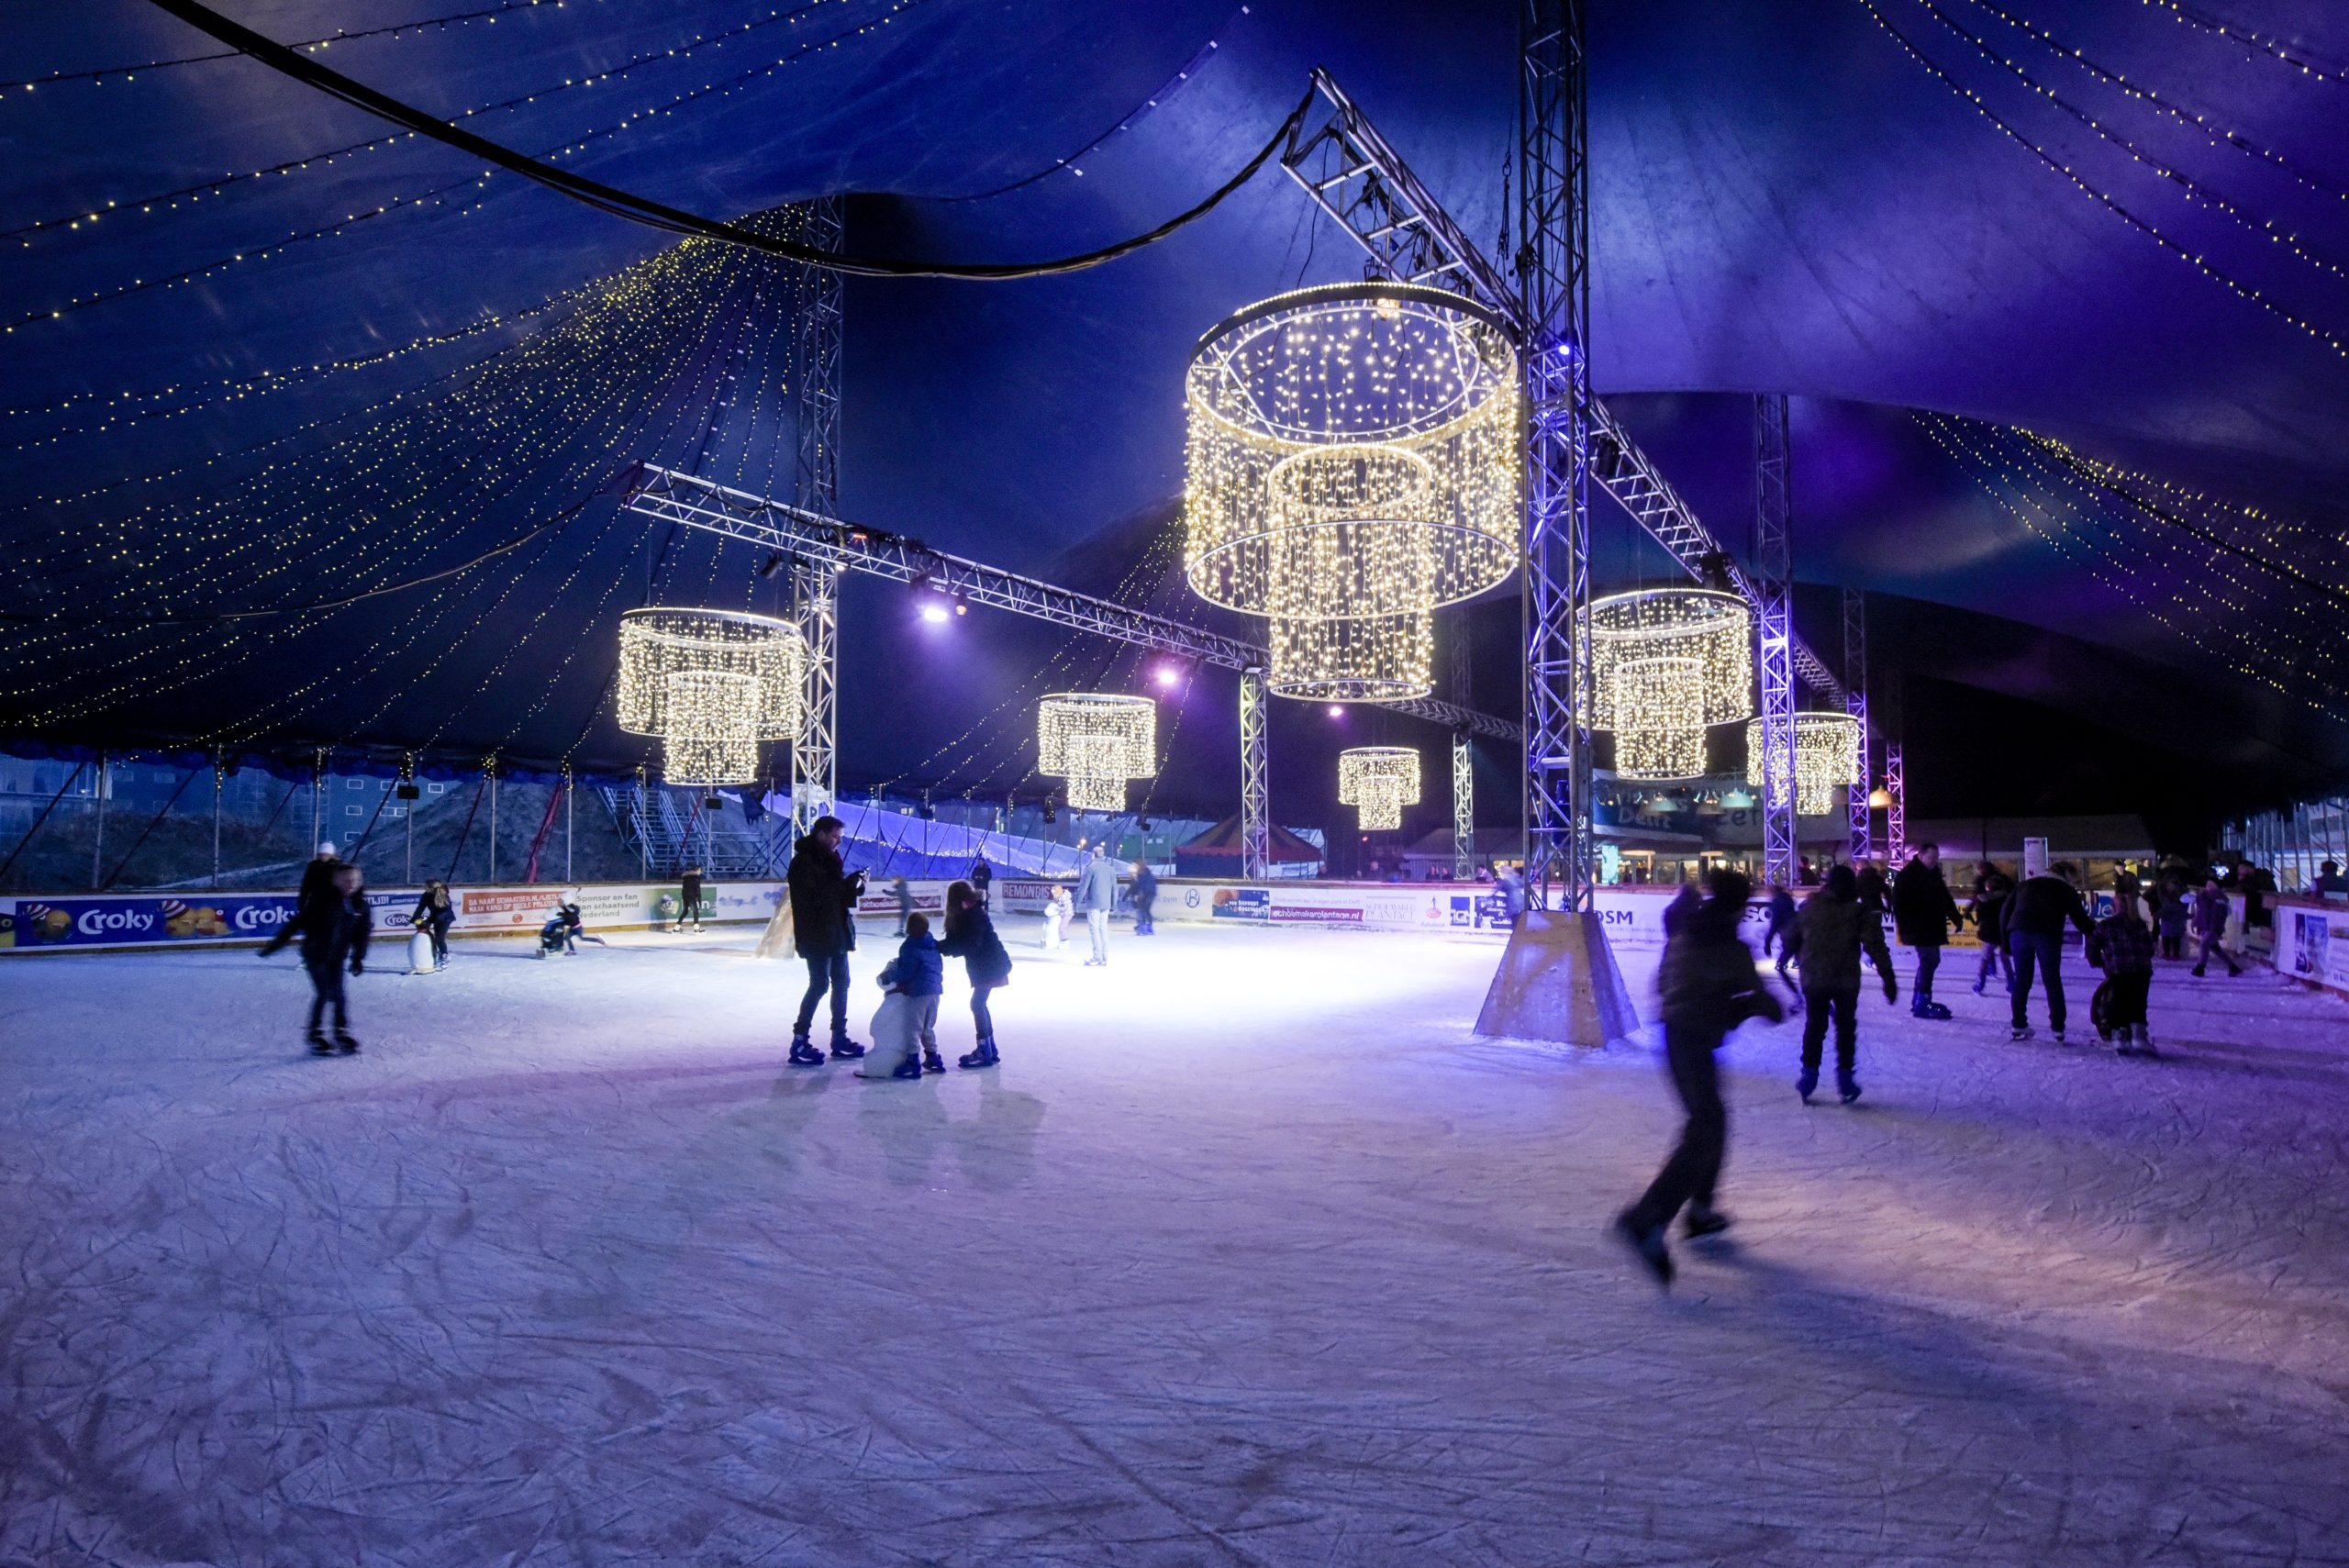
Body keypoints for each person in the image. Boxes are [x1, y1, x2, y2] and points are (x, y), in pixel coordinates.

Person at [1612, 869, 1783, 1288]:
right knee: (1705, 1126)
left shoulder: (1685, 932)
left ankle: (1702, 1212)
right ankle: (1646, 1220)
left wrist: (1716, 1006)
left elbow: (1664, 984)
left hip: (1677, 1037)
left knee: (1712, 1121)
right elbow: (1761, 1002)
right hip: (1691, 1041)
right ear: (1740, 907)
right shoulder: (1730, 948)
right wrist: (1752, 1007)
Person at [1789, 863, 1898, 1104]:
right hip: (1845, 980)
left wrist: (1800, 956)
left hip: (1814, 978)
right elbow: (1875, 945)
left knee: (1815, 1025)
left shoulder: (1809, 909)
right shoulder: (1857, 912)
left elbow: (1791, 937)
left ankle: (1808, 1075)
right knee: (1846, 1026)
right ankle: (1845, 1078)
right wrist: (1888, 977)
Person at [262, 861, 370, 1054]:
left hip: (337, 957)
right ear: (335, 881)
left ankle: (340, 1032)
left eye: (355, 880)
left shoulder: (360, 905)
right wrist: (275, 945)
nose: (351, 884)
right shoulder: (322, 901)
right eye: (346, 880)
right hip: (315, 954)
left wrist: (358, 958)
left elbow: (363, 933)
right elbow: (296, 923)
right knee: (326, 992)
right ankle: (315, 1034)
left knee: (339, 994)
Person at [786, 815, 866, 1066]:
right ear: (820, 834)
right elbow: (814, 899)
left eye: (840, 837)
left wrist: (855, 885)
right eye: (835, 836)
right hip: (817, 934)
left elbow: (837, 896)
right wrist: (845, 886)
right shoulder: (803, 863)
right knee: (820, 984)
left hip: (837, 932)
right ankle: (800, 1039)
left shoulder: (831, 860)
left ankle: (839, 1037)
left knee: (842, 983)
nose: (838, 842)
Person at [2007, 862, 2097, 1041]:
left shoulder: (2024, 885)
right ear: (2065, 874)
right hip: (2046, 934)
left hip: (2019, 933)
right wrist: (2098, 934)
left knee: (2022, 979)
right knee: (2052, 979)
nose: (2073, 882)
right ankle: (2057, 1026)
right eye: (2072, 878)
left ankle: (2018, 1023)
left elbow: (2005, 911)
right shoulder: (2065, 889)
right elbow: (2080, 919)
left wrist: (2004, 939)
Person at [938, 878, 1012, 1069]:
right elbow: (960, 941)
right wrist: (941, 946)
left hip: (990, 965)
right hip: (987, 965)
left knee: (977, 1003)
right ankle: (990, 1048)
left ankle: (984, 1050)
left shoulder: (973, 914)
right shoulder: (968, 912)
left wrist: (941, 947)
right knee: (979, 1003)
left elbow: (970, 943)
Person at [2088, 873, 2160, 1056]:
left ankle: (2118, 1036)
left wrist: (2097, 961)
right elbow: (2149, 948)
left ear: (2113, 907)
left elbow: (2093, 946)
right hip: (2141, 970)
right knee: (2138, 1002)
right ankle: (2138, 1037)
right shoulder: (2140, 925)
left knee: (2117, 1002)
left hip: (2117, 970)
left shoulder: (2106, 925)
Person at [1891, 842, 1965, 1019]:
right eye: (1931, 858)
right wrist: (1908, 925)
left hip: (1930, 926)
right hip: (1918, 927)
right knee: (1929, 960)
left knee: (1930, 961)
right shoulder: (1908, 875)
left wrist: (1956, 917)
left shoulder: (1933, 873)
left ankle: (1919, 999)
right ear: (1921, 855)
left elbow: (1944, 897)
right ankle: (1922, 1001)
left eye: (1936, 858)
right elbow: (1899, 903)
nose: (1934, 861)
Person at [882, 912, 945, 1077]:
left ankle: (912, 1061)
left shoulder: (910, 947)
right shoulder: (932, 943)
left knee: (913, 1027)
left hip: (919, 993)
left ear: (909, 928)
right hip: (935, 991)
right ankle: (933, 1057)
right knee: (927, 1026)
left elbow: (906, 972)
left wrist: (889, 976)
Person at [1968, 868, 2013, 995]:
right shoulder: (2007, 899)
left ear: (1988, 887)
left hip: (1989, 932)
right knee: (2005, 959)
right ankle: (2011, 983)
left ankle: (1979, 984)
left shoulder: (1983, 900)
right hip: (2004, 932)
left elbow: (1981, 916)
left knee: (1984, 959)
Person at [1075, 845, 1119, 967]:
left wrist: (1077, 903)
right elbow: (1114, 889)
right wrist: (1114, 905)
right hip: (1106, 904)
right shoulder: (1110, 869)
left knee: (1094, 930)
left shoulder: (1090, 868)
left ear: (1093, 855)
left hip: (1094, 903)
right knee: (1103, 929)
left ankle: (1097, 957)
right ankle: (1105, 957)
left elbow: (1083, 887)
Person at [2190, 877, 2241, 977]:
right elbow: (2201, 912)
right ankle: (2233, 967)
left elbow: (2220, 914)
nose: (2209, 886)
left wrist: (2215, 927)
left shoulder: (2218, 898)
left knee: (2204, 944)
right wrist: (2195, 922)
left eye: (2211, 884)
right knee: (2215, 948)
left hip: (2213, 928)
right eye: (2207, 884)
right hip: (2207, 927)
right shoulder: (2204, 897)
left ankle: (2200, 968)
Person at [1760, 882, 1799, 1000]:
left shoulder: (1777, 903)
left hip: (1790, 937)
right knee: (1806, 971)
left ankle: (1798, 997)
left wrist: (1767, 943)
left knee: (1780, 967)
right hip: (1798, 935)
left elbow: (1775, 924)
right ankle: (1828, 1008)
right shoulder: (1789, 901)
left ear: (1773, 893)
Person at [409, 880, 455, 970]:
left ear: (431, 888)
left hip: (446, 918)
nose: (424, 888)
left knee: (439, 938)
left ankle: (444, 956)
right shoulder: (425, 896)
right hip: (435, 917)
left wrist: (430, 920)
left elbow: (446, 911)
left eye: (426, 887)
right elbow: (420, 908)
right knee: (431, 936)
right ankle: (434, 954)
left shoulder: (443, 894)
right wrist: (415, 918)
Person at [2155, 879, 2191, 961]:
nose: (2170, 887)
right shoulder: (2164, 896)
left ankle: (2175, 954)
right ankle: (2168, 953)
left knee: (2175, 938)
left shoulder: (2179, 896)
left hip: (2175, 920)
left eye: (2171, 885)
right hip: (2168, 920)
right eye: (2168, 885)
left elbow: (2183, 908)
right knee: (2167, 938)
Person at [1130, 858, 1158, 936]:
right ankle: (1148, 927)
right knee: (1146, 910)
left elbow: (1140, 885)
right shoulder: (1148, 873)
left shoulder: (1141, 874)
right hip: (1150, 893)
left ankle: (1143, 927)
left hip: (1145, 894)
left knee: (1142, 910)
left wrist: (1138, 894)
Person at [674, 864, 704, 933]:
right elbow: (697, 888)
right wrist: (699, 899)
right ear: (697, 870)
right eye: (700, 870)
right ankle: (696, 928)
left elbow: (685, 887)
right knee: (695, 911)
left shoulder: (686, 877)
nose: (700, 872)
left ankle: (677, 927)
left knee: (685, 911)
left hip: (685, 895)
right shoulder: (696, 877)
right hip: (691, 895)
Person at [890, 873, 913, 937]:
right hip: (905, 904)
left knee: (905, 918)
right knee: (903, 918)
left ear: (898, 880)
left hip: (907, 904)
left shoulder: (902, 886)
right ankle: (901, 931)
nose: (893, 882)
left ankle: (909, 932)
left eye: (894, 880)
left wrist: (886, 892)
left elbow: (896, 893)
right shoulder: (901, 885)